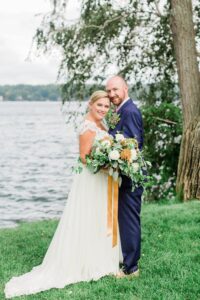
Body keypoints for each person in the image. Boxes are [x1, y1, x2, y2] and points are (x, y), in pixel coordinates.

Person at [4, 90, 119, 298]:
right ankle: (84, 261)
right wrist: (105, 166)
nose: (103, 109)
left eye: (106, 106)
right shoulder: (87, 127)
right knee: (88, 216)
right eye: (99, 105)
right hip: (91, 178)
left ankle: (100, 258)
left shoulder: (102, 125)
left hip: (102, 178)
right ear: (90, 105)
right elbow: (84, 158)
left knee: (99, 217)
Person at [106, 75, 144, 277]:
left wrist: (109, 155)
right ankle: (125, 261)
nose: (112, 94)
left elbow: (131, 147)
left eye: (115, 90)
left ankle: (131, 268)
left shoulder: (130, 112)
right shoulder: (120, 111)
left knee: (129, 220)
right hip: (122, 176)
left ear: (125, 89)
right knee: (124, 219)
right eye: (109, 91)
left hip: (129, 177)